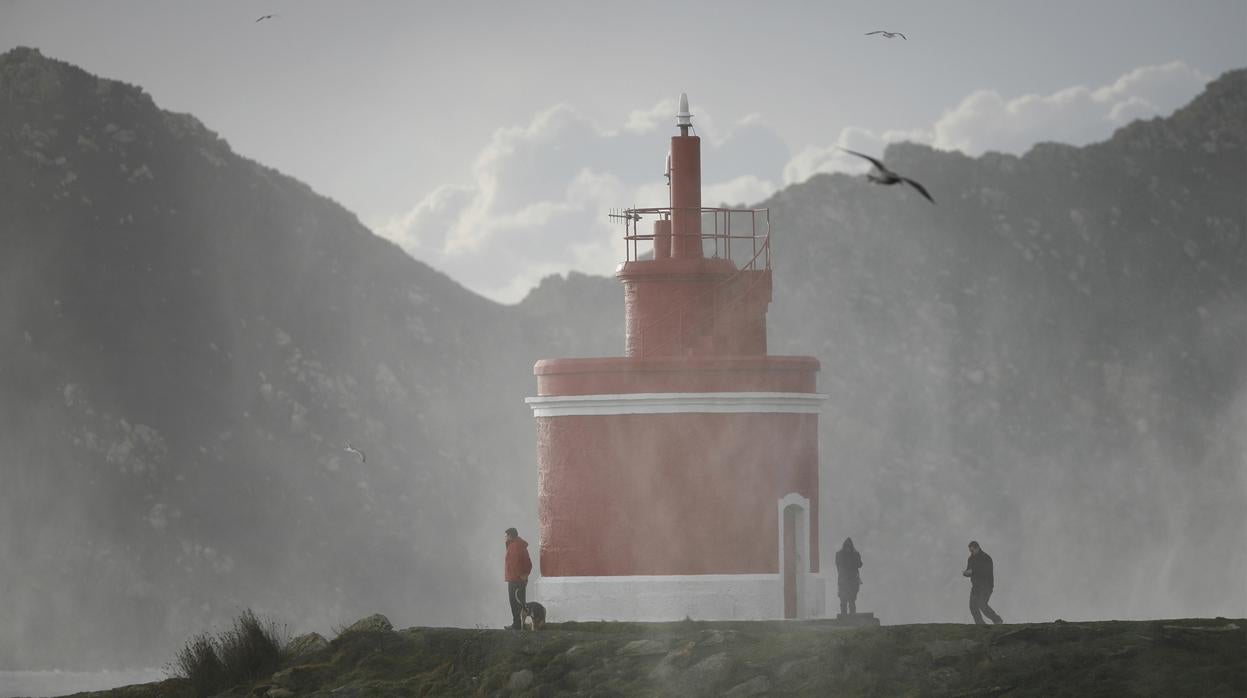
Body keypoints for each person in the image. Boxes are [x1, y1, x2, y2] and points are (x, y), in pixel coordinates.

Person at [963, 540, 1003, 625]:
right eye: (970, 551)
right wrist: (966, 573)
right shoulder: (970, 559)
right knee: (973, 607)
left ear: (977, 548)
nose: (971, 552)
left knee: (982, 604)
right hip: (976, 587)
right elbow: (969, 570)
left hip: (986, 586)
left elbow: (986, 571)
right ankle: (980, 624)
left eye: (972, 550)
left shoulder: (986, 558)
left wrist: (973, 571)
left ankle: (997, 620)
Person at [504, 527, 533, 630]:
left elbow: (515, 563)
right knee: (521, 602)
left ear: (511, 536)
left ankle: (517, 625)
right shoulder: (521, 545)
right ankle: (523, 624)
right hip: (519, 579)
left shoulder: (514, 546)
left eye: (506, 535)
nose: (505, 538)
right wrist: (525, 576)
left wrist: (520, 575)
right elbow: (529, 563)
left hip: (515, 579)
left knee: (515, 603)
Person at [834, 537, 862, 615]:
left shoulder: (855, 554)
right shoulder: (841, 554)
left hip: (850, 580)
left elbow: (859, 564)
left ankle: (850, 618)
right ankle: (846, 618)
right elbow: (838, 566)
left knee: (850, 600)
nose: (848, 548)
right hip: (845, 580)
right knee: (845, 600)